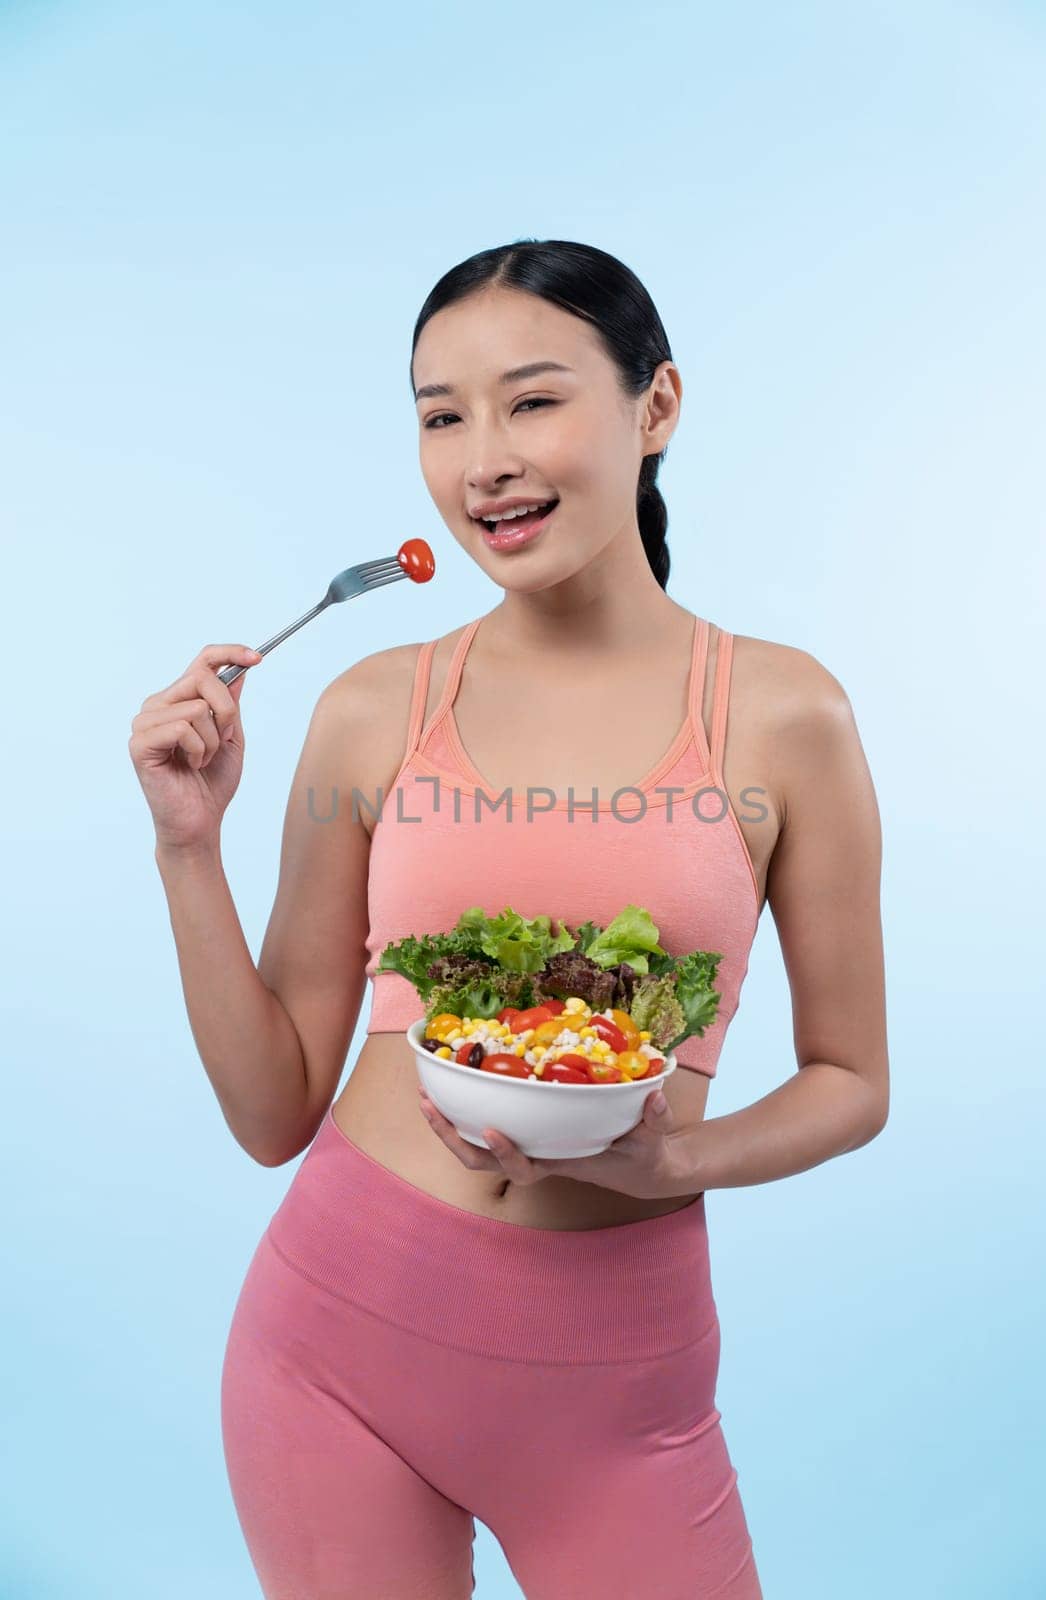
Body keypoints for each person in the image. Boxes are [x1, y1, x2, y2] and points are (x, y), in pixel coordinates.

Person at [129, 238, 889, 1599]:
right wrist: (189, 848)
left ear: (655, 409)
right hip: (331, 1353)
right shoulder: (374, 706)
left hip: (618, 1391)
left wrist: (672, 1168)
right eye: (442, 415)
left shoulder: (783, 715)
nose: (483, 457)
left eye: (532, 400)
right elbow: (269, 1112)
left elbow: (852, 1082)